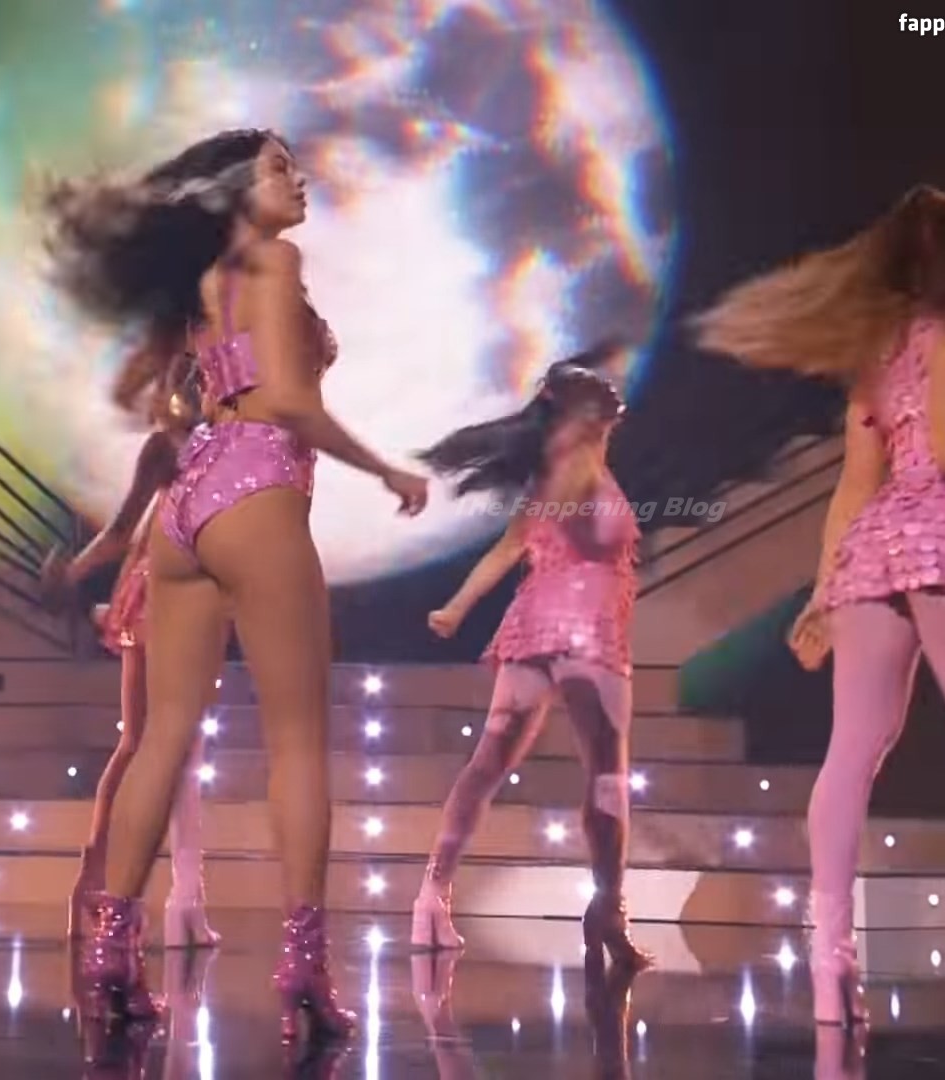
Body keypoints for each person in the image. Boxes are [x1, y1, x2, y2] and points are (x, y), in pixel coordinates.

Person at [40, 129, 429, 1041]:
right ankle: (304, 970)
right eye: (279, 166)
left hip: (186, 507)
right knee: (298, 743)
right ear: (233, 190)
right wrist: (385, 469)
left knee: (161, 737)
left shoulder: (204, 282)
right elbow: (288, 401)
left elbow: (181, 390)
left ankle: (111, 955)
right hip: (257, 487)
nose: (299, 179)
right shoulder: (273, 260)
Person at [695, 185, 945, 1038]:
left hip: (878, 545)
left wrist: (825, 590)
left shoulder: (881, 359)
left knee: (850, 754)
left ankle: (829, 960)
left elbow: (856, 487)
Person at [412, 344, 652, 973]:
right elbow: (524, 537)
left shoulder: (558, 471)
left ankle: (432, 893)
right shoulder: (574, 466)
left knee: (490, 763)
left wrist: (456, 608)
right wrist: (456, 606)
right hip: (586, 633)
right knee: (607, 775)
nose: (614, 404)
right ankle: (608, 910)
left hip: (534, 627)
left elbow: (509, 548)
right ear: (580, 415)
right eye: (601, 400)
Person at [41, 365, 221, 951]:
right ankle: (99, 884)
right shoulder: (166, 446)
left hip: (200, 595)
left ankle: (170, 897)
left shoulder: (234, 446)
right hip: (159, 592)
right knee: (145, 743)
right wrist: (74, 573)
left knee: (174, 749)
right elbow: (122, 530)